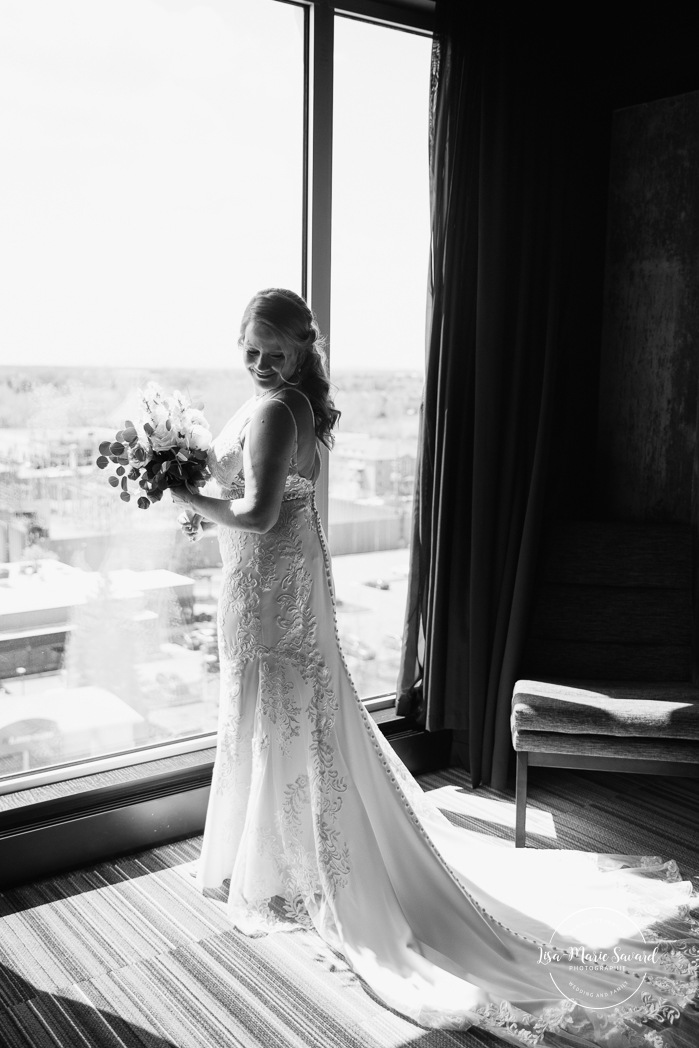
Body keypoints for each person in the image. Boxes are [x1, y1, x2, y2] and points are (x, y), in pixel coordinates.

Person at [172, 289, 699, 1047]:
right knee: (280, 720)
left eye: (273, 351)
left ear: (302, 349)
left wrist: (187, 492)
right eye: (248, 350)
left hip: (271, 593)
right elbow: (265, 499)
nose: (259, 363)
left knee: (278, 716)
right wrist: (208, 499)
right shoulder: (294, 408)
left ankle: (293, 866)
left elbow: (256, 514)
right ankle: (280, 856)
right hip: (272, 587)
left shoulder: (279, 409)